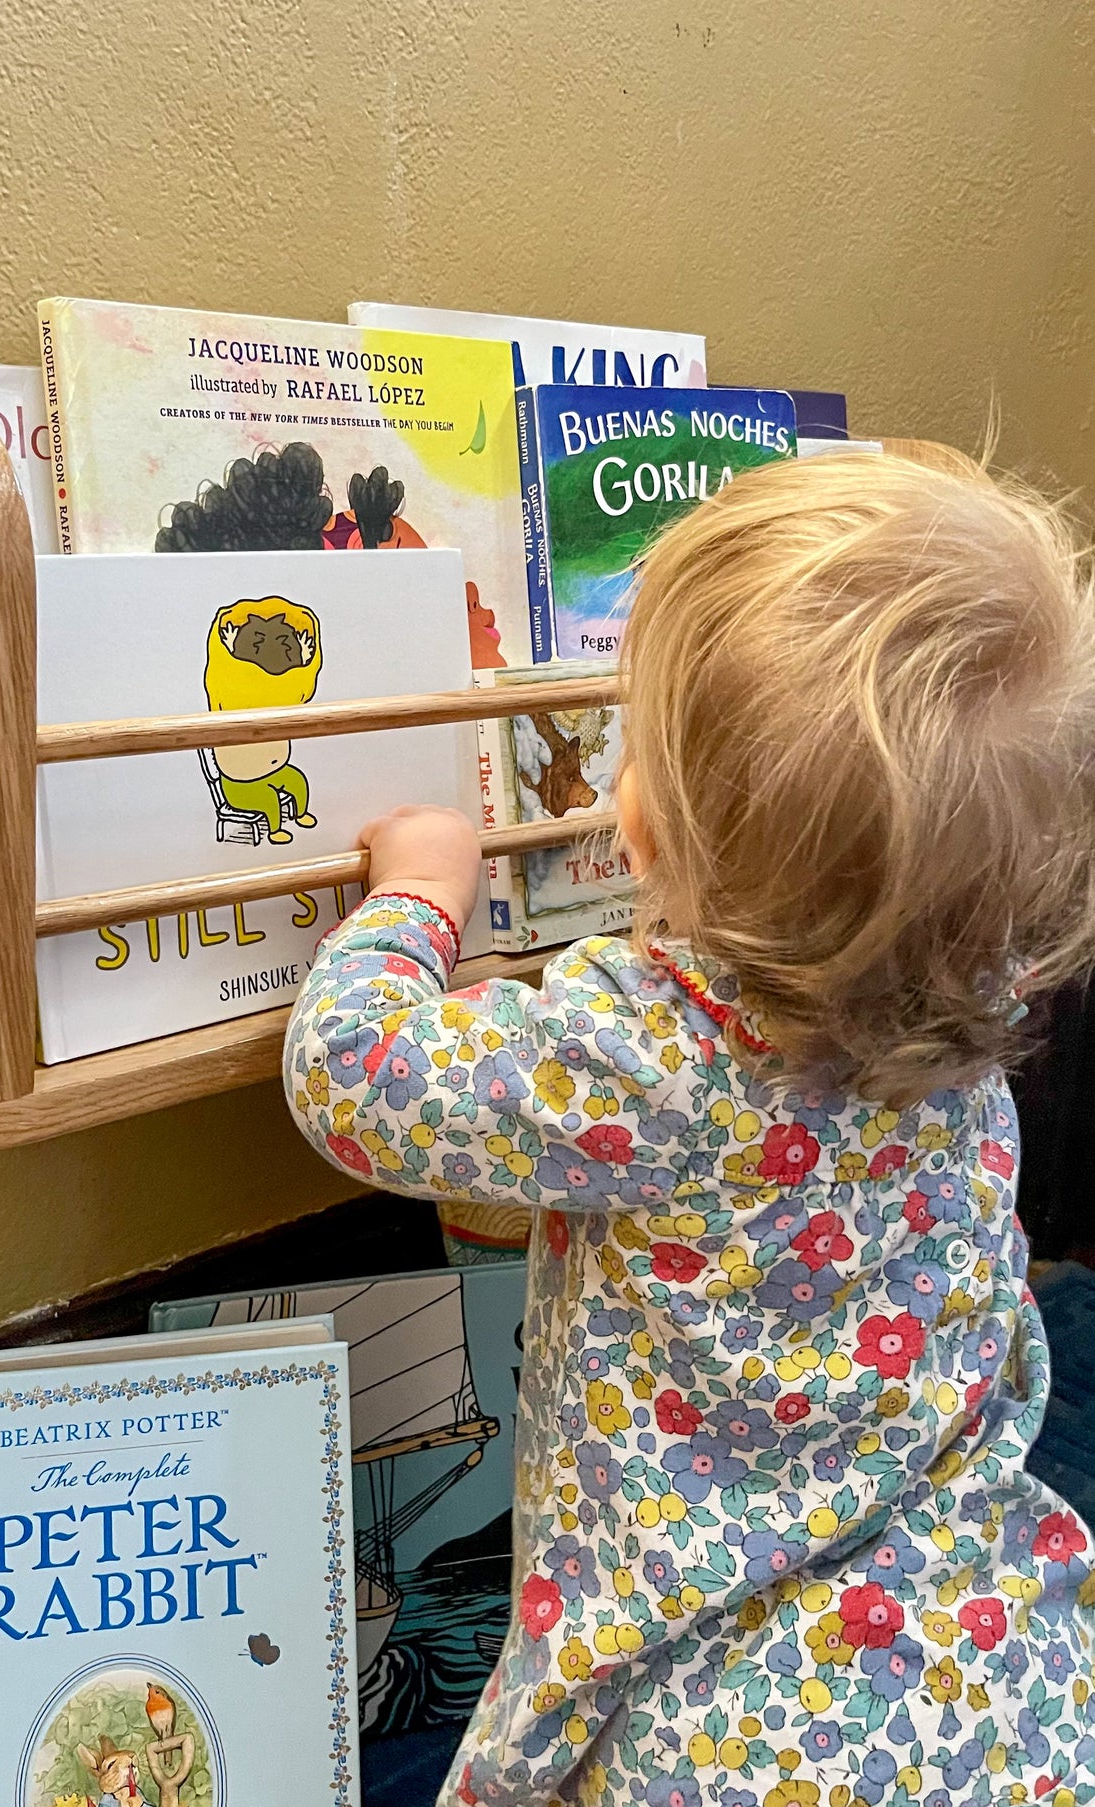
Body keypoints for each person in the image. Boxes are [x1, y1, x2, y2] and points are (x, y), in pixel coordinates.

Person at [284, 453, 1095, 1806]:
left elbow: (354, 1073)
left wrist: (416, 895)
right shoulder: (977, 975)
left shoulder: (644, 1052)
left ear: (646, 827)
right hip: (983, 1672)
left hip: (717, 1735)